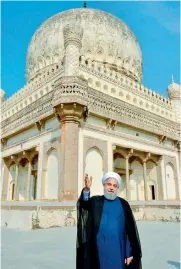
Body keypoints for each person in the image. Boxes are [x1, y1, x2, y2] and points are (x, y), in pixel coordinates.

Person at [76, 172, 142, 269]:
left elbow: (129, 231)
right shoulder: (96, 201)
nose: (111, 188)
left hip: (118, 249)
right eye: (109, 184)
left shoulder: (124, 204)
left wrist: (129, 253)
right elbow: (84, 204)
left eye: (115, 186)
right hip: (99, 249)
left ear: (117, 188)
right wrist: (86, 190)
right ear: (104, 185)